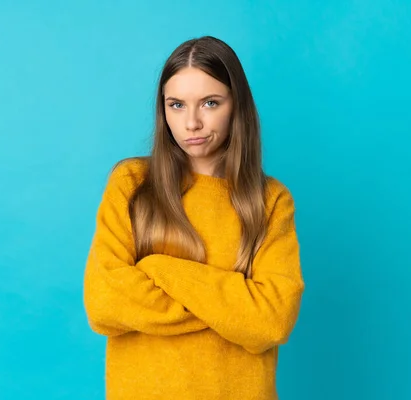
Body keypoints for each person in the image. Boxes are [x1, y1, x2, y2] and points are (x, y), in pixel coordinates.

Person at [83, 35, 305, 400]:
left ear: (237, 106)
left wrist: (161, 269)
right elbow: (104, 303)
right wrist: (234, 312)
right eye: (176, 105)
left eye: (210, 103)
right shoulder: (132, 184)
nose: (192, 123)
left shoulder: (269, 201)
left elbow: (272, 321)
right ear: (163, 109)